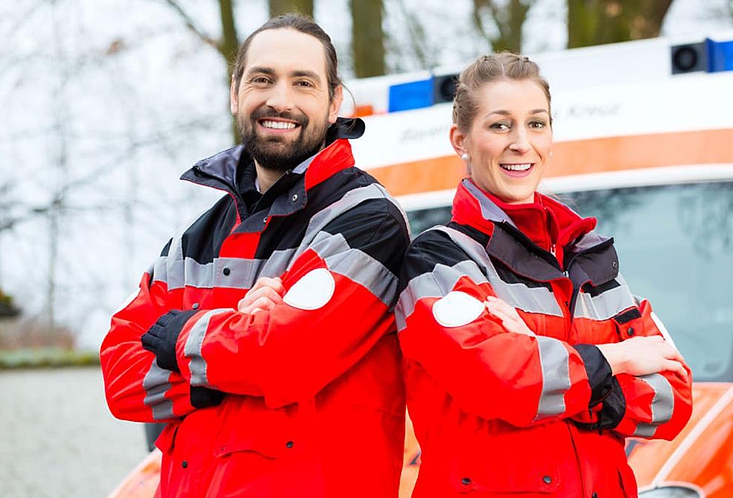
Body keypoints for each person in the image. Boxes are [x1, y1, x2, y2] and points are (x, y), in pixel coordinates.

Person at [100, 14, 410, 498]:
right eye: (261, 79)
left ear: (333, 103)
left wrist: (179, 332)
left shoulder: (368, 221)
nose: (279, 99)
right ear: (235, 93)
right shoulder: (194, 238)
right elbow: (121, 379)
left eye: (302, 83)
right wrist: (233, 342)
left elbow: (285, 358)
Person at [395, 52, 693, 497]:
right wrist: (617, 358)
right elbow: (505, 385)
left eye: (536, 124)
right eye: (500, 125)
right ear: (460, 140)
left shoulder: (590, 257)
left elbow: (674, 401)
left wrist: (545, 356)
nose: (521, 143)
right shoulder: (438, 260)